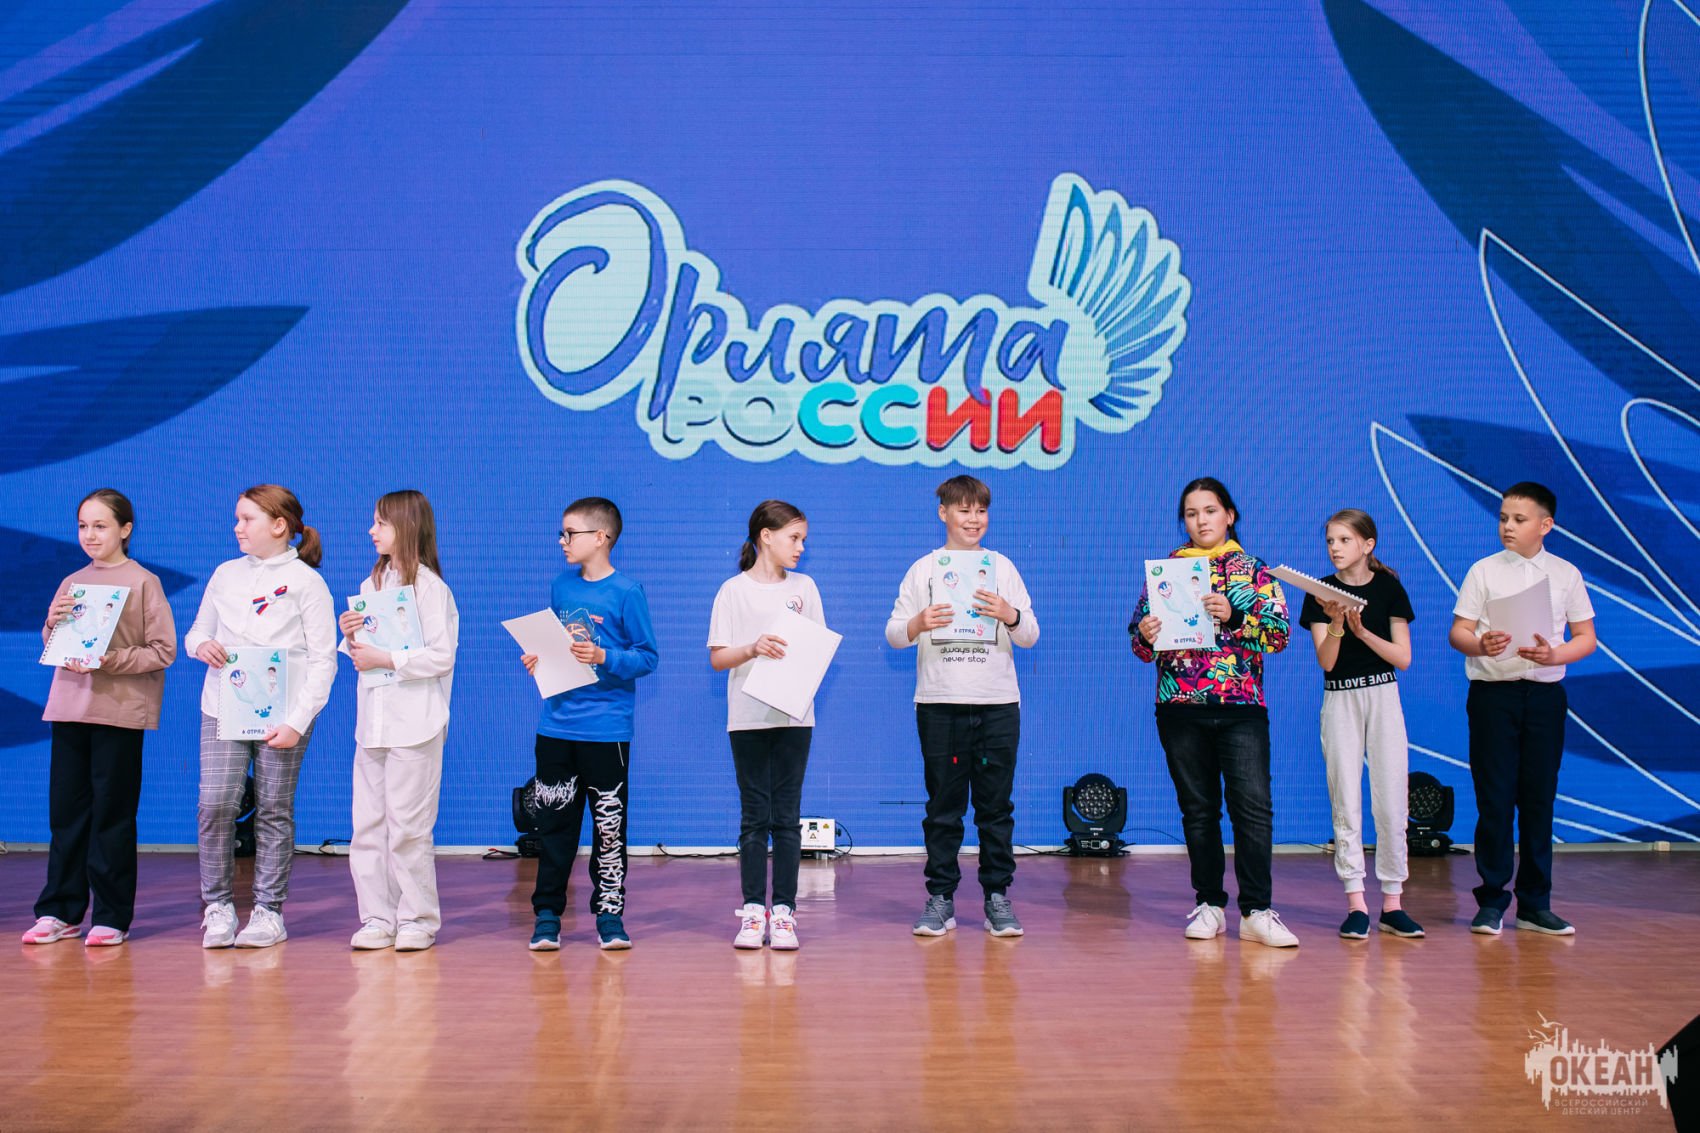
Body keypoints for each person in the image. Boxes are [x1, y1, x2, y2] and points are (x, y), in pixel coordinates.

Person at [1130, 477, 1296, 947]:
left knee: (1253, 809)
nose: (1201, 521)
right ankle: (1209, 904)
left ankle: (1257, 910)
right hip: (1179, 706)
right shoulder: (1167, 572)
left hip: (1242, 707)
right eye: (1191, 513)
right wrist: (1146, 633)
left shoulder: (1254, 570)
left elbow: (1280, 635)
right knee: (1198, 811)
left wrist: (1236, 616)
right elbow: (1139, 645)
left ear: (1229, 515)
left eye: (1209, 510)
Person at [886, 475, 1039, 938]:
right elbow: (893, 634)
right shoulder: (924, 569)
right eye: (964, 510)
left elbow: (1030, 635)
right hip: (940, 704)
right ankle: (941, 898)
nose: (974, 520)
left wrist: (1009, 615)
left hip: (996, 704)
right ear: (943, 513)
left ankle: (997, 897)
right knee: (943, 808)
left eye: (981, 511)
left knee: (996, 808)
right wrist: (918, 622)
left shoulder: (1002, 568)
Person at [23, 490, 176, 947]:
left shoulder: (143, 581)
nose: (90, 535)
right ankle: (60, 910)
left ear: (125, 529)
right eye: (83, 526)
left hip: (118, 713)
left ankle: (111, 916)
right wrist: (52, 625)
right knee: (66, 813)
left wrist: (109, 660)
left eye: (101, 526)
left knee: (112, 813)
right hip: (70, 707)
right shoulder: (73, 581)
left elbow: (162, 650)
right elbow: (55, 644)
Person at [186, 485, 336, 948]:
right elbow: (196, 632)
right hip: (223, 706)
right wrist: (202, 646)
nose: (238, 527)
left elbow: (324, 660)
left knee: (274, 809)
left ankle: (269, 912)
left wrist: (297, 720)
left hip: (284, 715)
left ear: (279, 525)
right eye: (237, 518)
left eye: (247, 519)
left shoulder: (307, 582)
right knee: (216, 804)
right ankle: (217, 906)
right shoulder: (225, 574)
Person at [1448, 481, 1596, 936]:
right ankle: (1492, 900)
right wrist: (1481, 645)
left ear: (1545, 525)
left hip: (1545, 698)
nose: (1507, 527)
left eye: (1518, 519)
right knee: (1494, 798)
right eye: (1503, 518)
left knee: (1538, 799)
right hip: (1494, 696)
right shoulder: (1484, 571)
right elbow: (1459, 632)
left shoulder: (1566, 574)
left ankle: (1535, 904)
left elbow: (1586, 638)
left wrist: (1555, 655)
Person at [520, 497, 658, 951]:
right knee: (553, 826)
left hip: (606, 731)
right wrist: (539, 659)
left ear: (601, 537)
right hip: (556, 727)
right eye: (561, 534)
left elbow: (647, 657)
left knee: (609, 828)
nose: (562, 541)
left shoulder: (627, 592)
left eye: (570, 533)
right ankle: (547, 915)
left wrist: (603, 656)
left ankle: (610, 915)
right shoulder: (561, 586)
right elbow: (557, 646)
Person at [339, 490, 459, 952]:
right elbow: (362, 654)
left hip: (415, 723)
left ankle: (417, 919)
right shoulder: (372, 584)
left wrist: (386, 657)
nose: (372, 531)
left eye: (381, 523)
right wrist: (351, 635)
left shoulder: (430, 588)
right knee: (368, 826)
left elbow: (441, 656)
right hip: (373, 723)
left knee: (409, 828)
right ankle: (376, 916)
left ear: (406, 527)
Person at [1297, 508, 1423, 940]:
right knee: (1345, 798)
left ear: (1368, 545)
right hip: (1340, 698)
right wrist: (1336, 623)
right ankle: (1355, 902)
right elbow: (1327, 663)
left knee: (1391, 799)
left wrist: (1363, 630)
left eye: (1344, 540)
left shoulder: (1389, 588)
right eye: (1330, 541)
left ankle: (1393, 902)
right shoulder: (1319, 592)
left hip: (1383, 694)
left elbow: (1403, 658)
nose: (1335, 548)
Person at [709, 500, 826, 950]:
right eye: (794, 538)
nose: (800, 547)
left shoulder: (805, 587)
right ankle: (753, 909)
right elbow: (718, 657)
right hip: (748, 718)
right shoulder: (732, 591)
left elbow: (817, 649)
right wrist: (753, 648)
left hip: (794, 716)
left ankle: (784, 913)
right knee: (754, 816)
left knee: (787, 817)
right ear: (766, 536)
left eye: (803, 540)